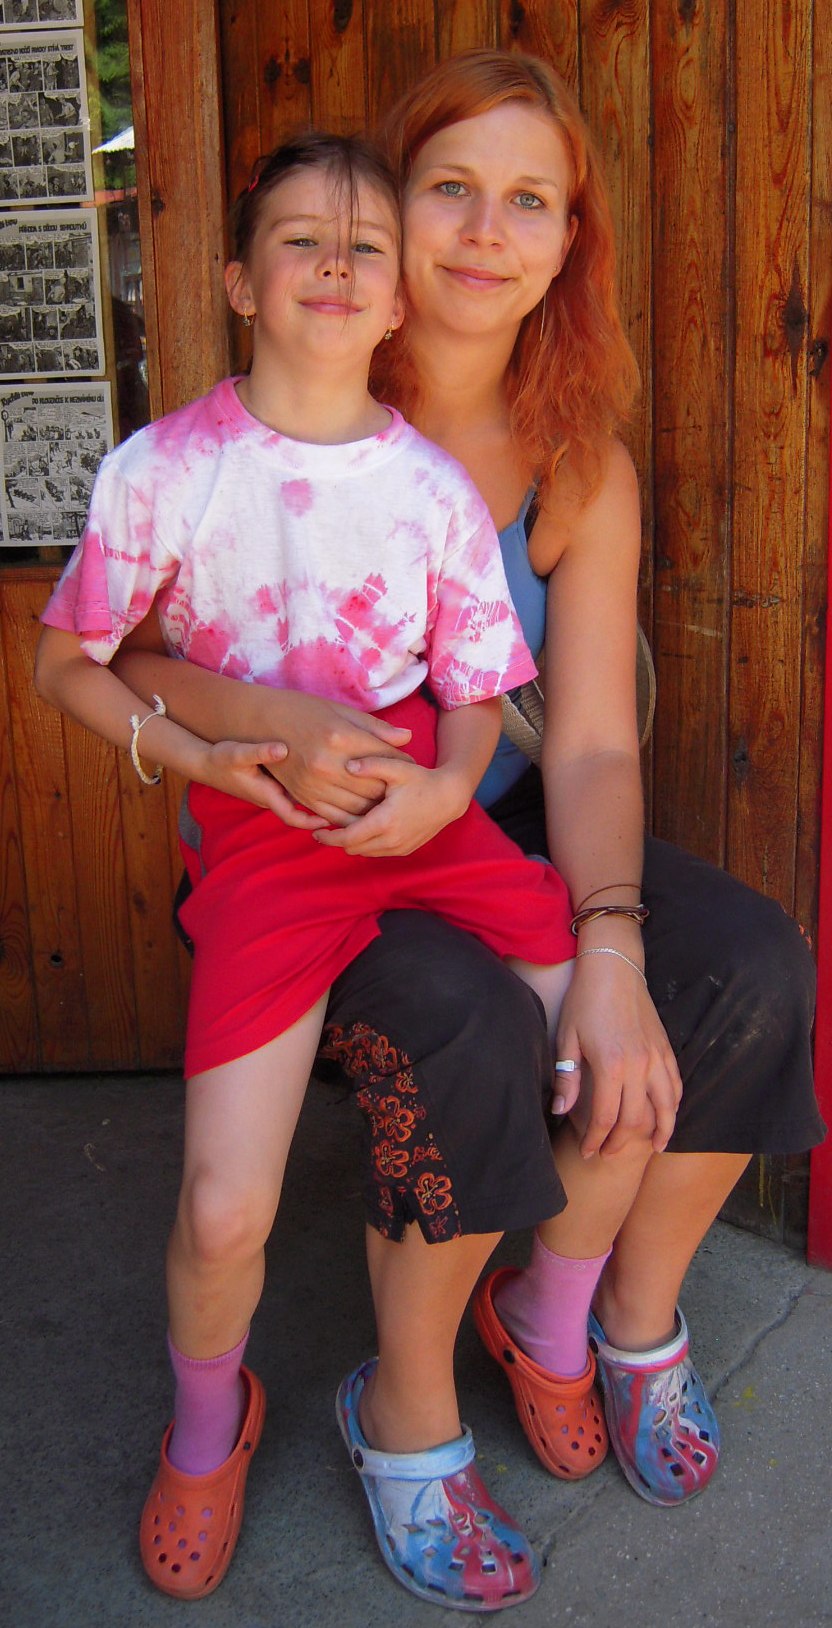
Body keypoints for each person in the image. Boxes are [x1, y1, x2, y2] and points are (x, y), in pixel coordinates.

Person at [79, 47, 823, 1611]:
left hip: (494, 823)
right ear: (379, 209)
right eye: (451, 189)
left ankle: (598, 1320)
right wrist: (266, 732)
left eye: (530, 201)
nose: (489, 231)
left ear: (568, 243)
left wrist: (608, 946)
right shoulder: (303, 395)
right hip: (308, 842)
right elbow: (123, 651)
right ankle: (406, 1411)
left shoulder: (575, 461)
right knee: (466, 1021)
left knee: (749, 967)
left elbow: (595, 743)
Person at [34, 130, 589, 1609]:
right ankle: (208, 1424)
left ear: (397, 298)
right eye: (300, 240)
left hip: (425, 809)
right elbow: (67, 662)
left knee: (604, 1050)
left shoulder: (432, 491)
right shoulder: (165, 470)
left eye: (364, 246)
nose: (335, 267)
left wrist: (451, 789)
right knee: (226, 1208)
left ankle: (554, 1310)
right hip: (266, 839)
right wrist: (202, 758)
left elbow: (477, 687)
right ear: (238, 279)